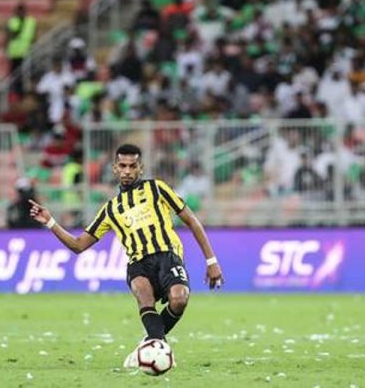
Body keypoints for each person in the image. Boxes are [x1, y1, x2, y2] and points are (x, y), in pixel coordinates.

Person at [28, 144, 223, 368]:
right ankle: (156, 348)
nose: (127, 171)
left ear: (141, 168)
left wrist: (212, 261)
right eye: (122, 166)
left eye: (132, 166)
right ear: (115, 168)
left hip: (167, 255)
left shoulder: (157, 188)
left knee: (179, 299)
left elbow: (192, 221)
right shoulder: (110, 209)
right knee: (143, 293)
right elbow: (78, 245)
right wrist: (50, 222)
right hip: (138, 263)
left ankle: (148, 343)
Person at [6, 3, 36, 95]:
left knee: (26, 72)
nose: (20, 13)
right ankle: (16, 90)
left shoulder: (31, 21)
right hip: (14, 52)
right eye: (19, 11)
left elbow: (34, 35)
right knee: (15, 73)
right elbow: (9, 35)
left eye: (22, 11)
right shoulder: (12, 21)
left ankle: (24, 91)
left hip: (26, 51)